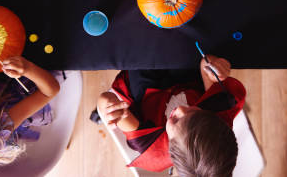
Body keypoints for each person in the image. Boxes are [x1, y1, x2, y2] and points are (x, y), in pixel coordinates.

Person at [97, 55, 246, 175]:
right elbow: (204, 64)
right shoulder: (217, 118)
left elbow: (108, 100)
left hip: (147, 89)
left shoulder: (150, 145)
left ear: (169, 146)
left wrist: (107, 108)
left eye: (174, 120)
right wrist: (214, 65)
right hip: (187, 79)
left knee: (140, 52)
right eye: (193, 111)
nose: (180, 110)